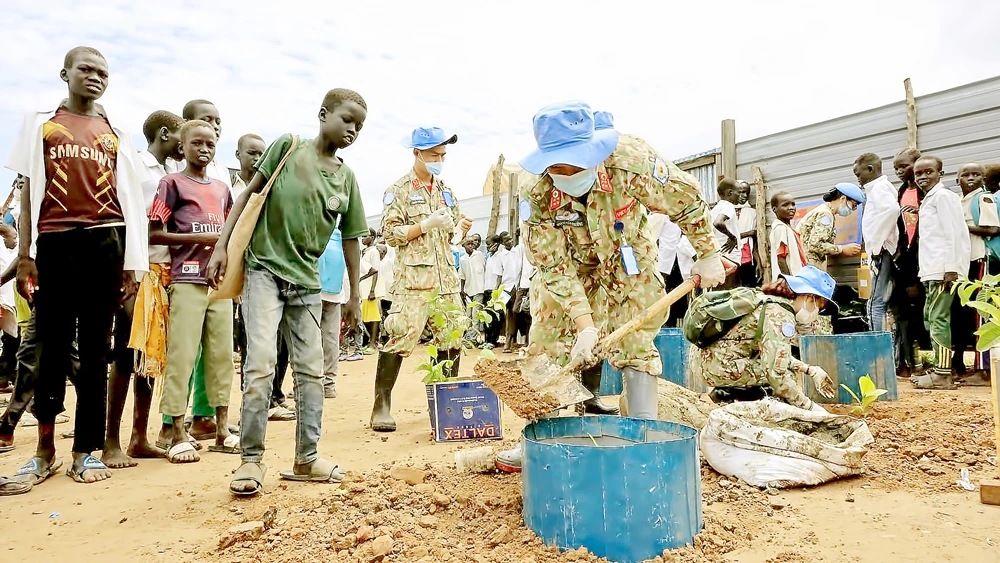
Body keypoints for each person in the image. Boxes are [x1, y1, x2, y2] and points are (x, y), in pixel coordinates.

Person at [495, 101, 727, 472]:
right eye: (556, 166)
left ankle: (642, 437)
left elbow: (686, 201)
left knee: (635, 340)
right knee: (548, 339)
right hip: (569, 267)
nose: (566, 172)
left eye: (574, 162)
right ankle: (541, 440)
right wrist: (584, 323)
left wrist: (708, 252)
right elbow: (551, 264)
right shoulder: (535, 190)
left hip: (627, 260)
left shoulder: (631, 162)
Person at [206, 88, 368, 496]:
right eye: (347, 119)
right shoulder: (288, 147)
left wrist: (353, 295)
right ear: (323, 114)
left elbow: (352, 239)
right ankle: (250, 460)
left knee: (311, 372)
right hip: (264, 270)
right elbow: (248, 196)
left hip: (308, 284)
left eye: (360, 126)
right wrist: (222, 246)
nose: (352, 129)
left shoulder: (346, 178)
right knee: (260, 365)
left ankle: (307, 457)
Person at [7, 46, 148, 485]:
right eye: (85, 69)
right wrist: (26, 255)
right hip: (54, 242)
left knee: (94, 351)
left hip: (106, 241)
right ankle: (44, 447)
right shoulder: (40, 123)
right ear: (64, 72)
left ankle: (85, 450)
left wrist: (132, 263)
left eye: (103, 71)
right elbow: (29, 190)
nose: (95, 76)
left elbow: (133, 202)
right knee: (50, 345)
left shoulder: (115, 131)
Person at [371, 126, 473, 432]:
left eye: (443, 155)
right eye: (434, 155)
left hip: (446, 281)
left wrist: (461, 229)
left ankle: (446, 406)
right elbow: (390, 234)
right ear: (416, 153)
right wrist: (424, 225)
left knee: (452, 338)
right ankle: (381, 404)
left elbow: (452, 232)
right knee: (400, 337)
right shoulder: (399, 190)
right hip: (413, 282)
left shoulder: (446, 191)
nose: (440, 160)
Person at [150, 120, 236, 464]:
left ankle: (222, 428)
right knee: (182, 356)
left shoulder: (221, 189)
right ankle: (176, 432)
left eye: (210, 144)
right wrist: (202, 239)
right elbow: (154, 234)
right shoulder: (171, 183)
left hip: (219, 284)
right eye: (197, 143)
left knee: (222, 357)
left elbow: (230, 235)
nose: (204, 149)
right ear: (182, 147)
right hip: (186, 279)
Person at [105, 110, 185, 469]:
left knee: (149, 358)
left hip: (164, 271)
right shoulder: (136, 166)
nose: (184, 144)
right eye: (180, 136)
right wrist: (127, 270)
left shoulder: (169, 174)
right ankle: (111, 441)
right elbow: (124, 217)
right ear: (165, 134)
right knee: (127, 352)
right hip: (137, 270)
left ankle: (139, 437)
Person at [690, 266, 837, 409]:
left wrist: (810, 370)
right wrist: (809, 406)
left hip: (707, 359)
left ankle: (728, 396)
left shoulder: (769, 300)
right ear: (809, 297)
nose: (817, 312)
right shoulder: (780, 315)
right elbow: (776, 372)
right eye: (820, 306)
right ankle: (738, 402)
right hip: (715, 366)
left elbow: (777, 353)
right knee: (785, 376)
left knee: (774, 367)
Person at [911, 156, 971, 390]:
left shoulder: (943, 197)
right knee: (932, 318)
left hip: (942, 270)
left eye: (928, 172)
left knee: (938, 320)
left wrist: (952, 269)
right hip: (932, 270)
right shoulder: (930, 199)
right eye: (918, 174)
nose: (922, 177)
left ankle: (942, 375)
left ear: (940, 174)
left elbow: (954, 234)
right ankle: (940, 368)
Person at [952, 163, 997, 386]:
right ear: (957, 178)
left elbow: (992, 229)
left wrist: (961, 226)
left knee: (981, 314)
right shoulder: (960, 200)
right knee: (963, 316)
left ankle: (983, 369)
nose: (971, 178)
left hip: (980, 260)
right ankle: (961, 364)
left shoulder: (983, 198)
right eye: (965, 174)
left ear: (983, 178)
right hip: (964, 262)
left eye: (976, 174)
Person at [890, 148, 929, 378]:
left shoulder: (927, 193)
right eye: (896, 168)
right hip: (905, 261)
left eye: (903, 166)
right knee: (904, 315)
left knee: (925, 315)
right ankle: (910, 361)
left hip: (924, 259)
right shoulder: (902, 191)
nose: (899, 171)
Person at [854, 153, 901, 334]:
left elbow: (892, 210)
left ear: (871, 169)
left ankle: (877, 349)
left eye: (859, 174)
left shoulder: (879, 188)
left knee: (875, 303)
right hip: (882, 251)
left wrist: (877, 244)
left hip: (882, 252)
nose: (858, 179)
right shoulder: (878, 188)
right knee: (881, 303)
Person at [318, 228, 347, 399]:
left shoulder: (315, 226)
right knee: (330, 339)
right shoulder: (338, 234)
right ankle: (329, 384)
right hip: (335, 291)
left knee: (308, 339)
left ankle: (307, 384)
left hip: (313, 289)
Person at [653, 214, 697, 327]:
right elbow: (652, 234)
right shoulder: (660, 215)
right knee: (664, 292)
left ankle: (679, 325)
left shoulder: (686, 214)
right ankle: (664, 323)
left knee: (682, 292)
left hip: (681, 259)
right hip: (665, 261)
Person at [710, 178, 744, 288]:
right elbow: (718, 223)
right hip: (730, 258)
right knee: (730, 292)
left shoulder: (715, 208)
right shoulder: (728, 206)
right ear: (730, 193)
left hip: (720, 257)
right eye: (739, 192)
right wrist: (732, 237)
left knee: (720, 291)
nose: (740, 195)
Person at [768, 191, 807, 280]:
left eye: (793, 204)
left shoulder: (787, 227)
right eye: (785, 205)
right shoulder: (780, 228)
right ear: (774, 209)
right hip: (790, 278)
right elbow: (781, 258)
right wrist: (789, 281)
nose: (791, 208)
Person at [459, 235, 487, 344]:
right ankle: (469, 337)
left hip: (479, 289)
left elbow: (484, 269)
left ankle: (473, 339)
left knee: (476, 315)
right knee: (469, 315)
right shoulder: (463, 259)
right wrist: (462, 290)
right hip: (468, 290)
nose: (471, 246)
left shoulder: (479, 255)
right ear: (463, 246)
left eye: (472, 244)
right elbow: (462, 276)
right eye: (468, 244)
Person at [499, 232, 523, 352]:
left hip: (519, 286)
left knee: (519, 314)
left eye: (510, 239)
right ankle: (508, 342)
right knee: (509, 315)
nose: (510, 241)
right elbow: (499, 275)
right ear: (502, 243)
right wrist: (497, 292)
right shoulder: (501, 256)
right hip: (506, 288)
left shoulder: (518, 251)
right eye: (506, 240)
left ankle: (517, 342)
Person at [359, 228, 382, 350]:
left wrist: (372, 290)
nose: (362, 238)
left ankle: (373, 343)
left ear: (372, 237)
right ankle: (370, 342)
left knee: (373, 317)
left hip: (370, 289)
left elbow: (376, 271)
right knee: (366, 316)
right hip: (365, 289)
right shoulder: (365, 252)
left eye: (365, 236)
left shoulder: (374, 252)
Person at [483, 234, 506, 348]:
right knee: (487, 316)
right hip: (487, 289)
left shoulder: (500, 256)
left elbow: (499, 276)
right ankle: (486, 340)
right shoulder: (489, 257)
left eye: (489, 244)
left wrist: (496, 291)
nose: (487, 247)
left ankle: (493, 340)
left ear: (496, 244)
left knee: (495, 316)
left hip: (494, 290)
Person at [734, 180, 759, 287]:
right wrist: (749, 233)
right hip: (730, 256)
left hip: (747, 256)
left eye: (747, 193)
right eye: (741, 192)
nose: (744, 196)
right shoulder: (726, 211)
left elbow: (755, 239)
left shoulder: (752, 212)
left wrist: (758, 262)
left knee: (748, 287)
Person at [231, 134, 266, 201]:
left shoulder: (266, 187)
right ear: (238, 154)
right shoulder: (229, 183)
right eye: (251, 153)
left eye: (261, 155)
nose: (257, 158)